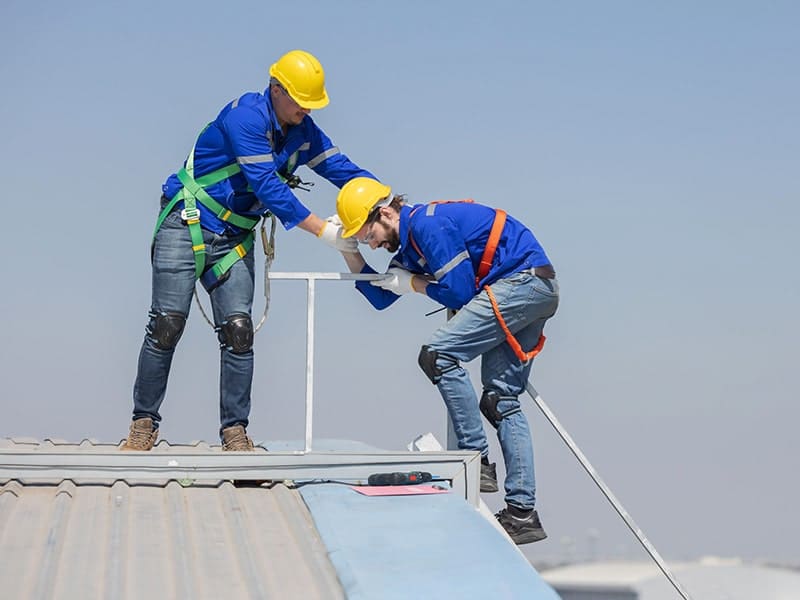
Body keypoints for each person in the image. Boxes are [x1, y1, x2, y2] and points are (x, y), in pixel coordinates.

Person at [121, 50, 374, 451]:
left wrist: (391, 207)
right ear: (276, 89)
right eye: (300, 101)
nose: (306, 110)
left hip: (234, 239)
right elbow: (266, 186)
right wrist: (324, 230)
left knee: (239, 333)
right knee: (167, 324)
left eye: (312, 104)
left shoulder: (303, 132)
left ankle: (234, 432)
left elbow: (345, 171)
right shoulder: (245, 117)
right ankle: (142, 423)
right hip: (187, 223)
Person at [334, 177, 559, 545]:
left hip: (519, 285)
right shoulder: (410, 245)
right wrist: (347, 251)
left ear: (387, 213)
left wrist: (415, 284)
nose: (370, 243)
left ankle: (476, 460)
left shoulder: (427, 224)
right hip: (535, 287)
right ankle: (522, 514)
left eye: (367, 233)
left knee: (438, 356)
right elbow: (380, 298)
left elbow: (458, 291)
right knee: (500, 400)